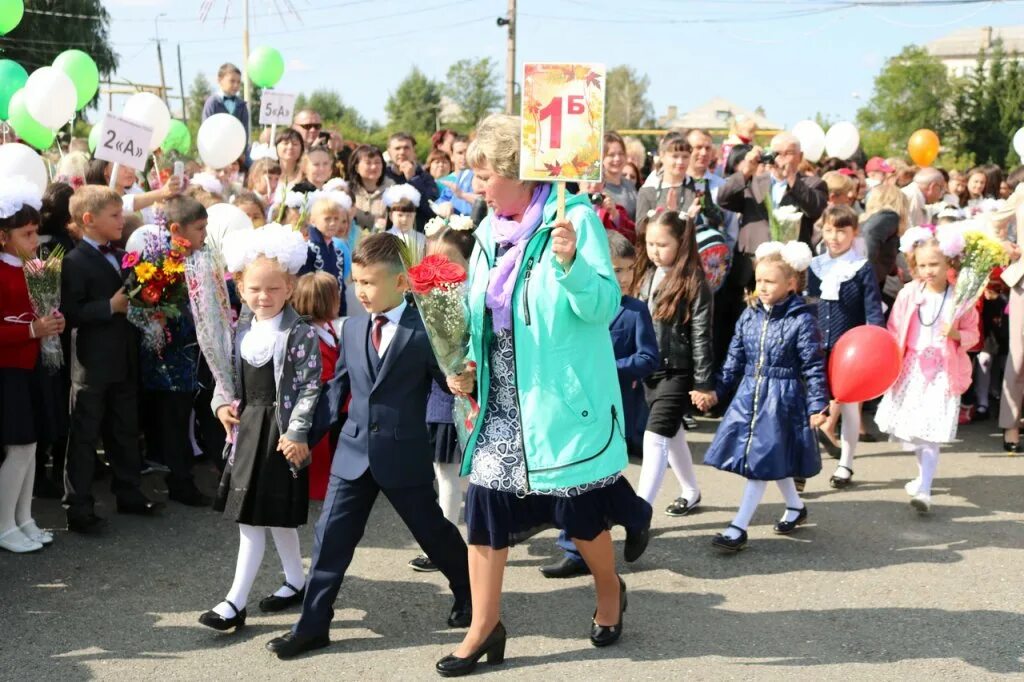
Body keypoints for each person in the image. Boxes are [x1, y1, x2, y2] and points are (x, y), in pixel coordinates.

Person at [435, 114, 650, 676]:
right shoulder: (487, 230)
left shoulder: (573, 219)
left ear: (517, 172)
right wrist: (467, 362)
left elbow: (604, 308)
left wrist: (572, 263)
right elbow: (486, 312)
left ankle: (609, 591)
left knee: (579, 515)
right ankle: (484, 626)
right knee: (482, 510)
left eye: (484, 174)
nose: (476, 185)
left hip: (557, 404)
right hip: (499, 402)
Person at [266, 233, 472, 660]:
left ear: (401, 283)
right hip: (353, 452)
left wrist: (461, 381)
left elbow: (449, 380)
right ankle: (313, 625)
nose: (360, 291)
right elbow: (337, 388)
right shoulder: (354, 325)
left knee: (433, 533)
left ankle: (469, 592)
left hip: (404, 454)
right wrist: (303, 433)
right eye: (356, 281)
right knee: (330, 539)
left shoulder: (425, 330)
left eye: (370, 282)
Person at [199, 224, 319, 632]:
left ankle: (234, 603)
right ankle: (298, 581)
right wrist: (220, 407)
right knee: (266, 516)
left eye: (272, 289)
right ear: (240, 287)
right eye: (254, 289)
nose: (262, 297)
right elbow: (227, 377)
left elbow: (309, 386)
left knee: (254, 519)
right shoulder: (242, 328)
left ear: (289, 286)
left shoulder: (300, 332)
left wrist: (298, 432)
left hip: (279, 433)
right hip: (248, 430)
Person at [692, 240, 827, 551]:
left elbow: (813, 365)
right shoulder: (749, 315)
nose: (762, 287)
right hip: (750, 395)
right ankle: (796, 507)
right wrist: (715, 392)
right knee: (769, 460)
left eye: (770, 281)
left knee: (760, 462)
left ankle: (738, 527)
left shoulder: (801, 320)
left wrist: (817, 403)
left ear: (791, 283)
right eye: (759, 280)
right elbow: (734, 360)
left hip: (782, 400)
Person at [540, 230, 659, 579]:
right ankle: (581, 544)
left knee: (595, 476)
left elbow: (649, 358)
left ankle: (629, 519)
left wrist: (608, 368)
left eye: (627, 270)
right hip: (574, 403)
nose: (621, 278)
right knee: (573, 474)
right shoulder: (576, 303)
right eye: (614, 269)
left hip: (614, 407)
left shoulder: (635, 311)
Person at [61, 186, 161, 535]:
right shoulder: (74, 262)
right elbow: (70, 312)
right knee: (86, 434)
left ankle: (128, 491)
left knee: (125, 427)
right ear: (89, 221)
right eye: (115, 216)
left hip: (123, 355)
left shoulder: (120, 255)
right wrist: (108, 307)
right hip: (91, 362)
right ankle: (78, 505)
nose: (122, 221)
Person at [875, 227, 979, 513]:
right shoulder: (910, 293)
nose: (928, 270)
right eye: (922, 265)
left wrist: (957, 334)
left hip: (943, 370)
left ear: (949, 264)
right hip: (912, 368)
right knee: (915, 431)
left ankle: (925, 489)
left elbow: (973, 334)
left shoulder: (960, 299)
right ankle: (923, 477)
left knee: (932, 431)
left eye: (934, 264)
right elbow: (895, 327)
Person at [630, 211, 711, 517]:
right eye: (650, 243)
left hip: (677, 369)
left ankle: (640, 512)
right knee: (671, 433)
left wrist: (704, 383)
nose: (654, 250)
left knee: (654, 438)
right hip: (649, 368)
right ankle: (691, 490)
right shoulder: (647, 274)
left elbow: (702, 335)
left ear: (681, 243)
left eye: (662, 244)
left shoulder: (694, 283)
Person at [0, 179, 65, 553]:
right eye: (26, 234)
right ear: (4, 236)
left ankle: (24, 519)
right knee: (20, 447)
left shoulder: (36, 268)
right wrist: (31, 329)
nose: (34, 240)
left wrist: (51, 323)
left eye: (36, 232)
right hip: (9, 370)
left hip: (32, 366)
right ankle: (4, 523)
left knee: (32, 445)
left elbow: (40, 313)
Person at [410, 220, 478, 573]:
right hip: (438, 399)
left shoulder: (476, 300)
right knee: (445, 471)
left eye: (449, 261)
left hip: (467, 395)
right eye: (432, 260)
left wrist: (467, 369)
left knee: (451, 473)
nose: (438, 269)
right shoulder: (424, 301)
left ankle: (447, 543)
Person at [137, 198, 212, 507]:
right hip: (168, 359)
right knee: (174, 420)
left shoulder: (197, 256)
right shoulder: (157, 260)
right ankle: (180, 480)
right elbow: (138, 305)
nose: (204, 235)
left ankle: (181, 474)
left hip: (189, 355)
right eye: (199, 228)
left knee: (182, 417)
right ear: (176, 229)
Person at [806, 205, 884, 486]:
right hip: (815, 347)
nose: (835, 237)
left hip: (849, 351)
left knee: (850, 407)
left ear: (854, 232)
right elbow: (809, 307)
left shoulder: (861, 268)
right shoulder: (815, 266)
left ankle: (846, 464)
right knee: (812, 405)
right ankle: (804, 463)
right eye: (829, 230)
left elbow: (873, 310)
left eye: (842, 230)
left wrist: (874, 345)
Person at [291, 271, 342, 502]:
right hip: (319, 406)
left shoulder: (328, 327)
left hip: (331, 403)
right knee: (319, 450)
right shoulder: (309, 336)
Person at [859, 182, 910, 309]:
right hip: (867, 284)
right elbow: (871, 236)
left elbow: (883, 247)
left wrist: (893, 268)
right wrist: (866, 272)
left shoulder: (873, 219)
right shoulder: (889, 216)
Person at [384, 132, 438, 231]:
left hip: (417, 237)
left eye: (406, 148)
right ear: (389, 152)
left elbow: (432, 210)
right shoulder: (383, 176)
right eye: (397, 148)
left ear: (414, 151)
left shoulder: (425, 177)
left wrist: (412, 179)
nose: (402, 152)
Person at [348, 144, 394, 232]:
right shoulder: (346, 190)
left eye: (377, 162)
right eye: (368, 163)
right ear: (357, 167)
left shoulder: (393, 191)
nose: (373, 167)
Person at [202, 63, 250, 145]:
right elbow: (206, 129)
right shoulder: (212, 103)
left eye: (238, 82)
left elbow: (245, 132)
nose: (236, 85)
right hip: (216, 150)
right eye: (232, 81)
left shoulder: (241, 105)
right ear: (219, 80)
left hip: (237, 152)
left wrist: (242, 152)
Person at [436, 135, 477, 217]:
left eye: (467, 152)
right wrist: (444, 205)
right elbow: (442, 199)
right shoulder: (461, 176)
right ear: (452, 156)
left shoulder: (480, 176)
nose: (464, 156)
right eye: (460, 153)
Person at [384, 184, 425, 264]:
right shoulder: (384, 237)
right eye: (400, 215)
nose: (404, 219)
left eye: (409, 216)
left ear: (414, 216)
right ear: (391, 216)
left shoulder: (421, 239)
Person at [275, 128, 306, 193]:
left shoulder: (307, 175)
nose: (290, 147)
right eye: (285, 143)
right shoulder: (267, 172)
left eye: (295, 144)